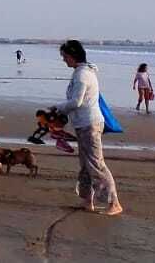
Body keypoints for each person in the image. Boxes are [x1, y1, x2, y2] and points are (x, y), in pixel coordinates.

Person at [58, 39, 122, 216]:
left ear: (73, 56)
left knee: (96, 164)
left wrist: (58, 108)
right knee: (86, 165)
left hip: (90, 124)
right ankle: (88, 201)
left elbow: (76, 102)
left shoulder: (82, 75)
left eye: (65, 56)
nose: (64, 60)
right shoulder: (82, 72)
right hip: (83, 123)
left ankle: (114, 203)